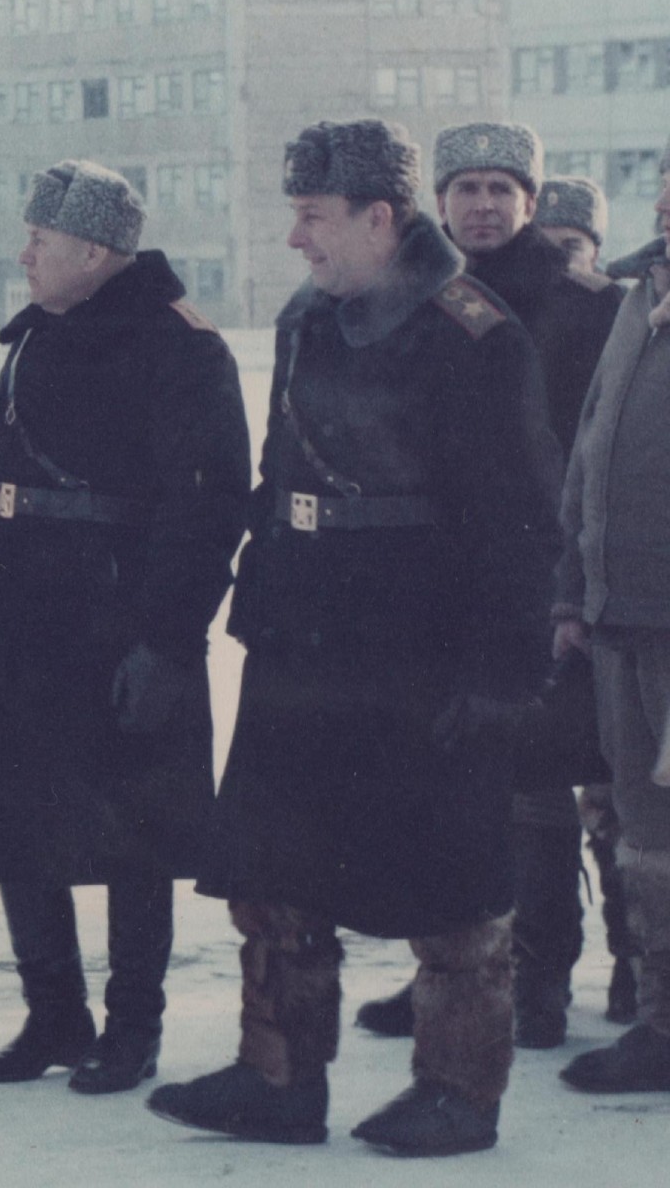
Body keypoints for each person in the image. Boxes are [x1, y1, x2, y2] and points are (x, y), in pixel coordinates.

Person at [145, 119, 562, 1156]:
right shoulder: (308, 318)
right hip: (303, 634)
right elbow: (285, 475)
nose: (296, 238)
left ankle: (459, 1093)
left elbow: (519, 524)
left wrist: (503, 669)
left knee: (453, 885)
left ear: (381, 218)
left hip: (419, 645)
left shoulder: (474, 334)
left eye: (313, 216)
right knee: (272, 869)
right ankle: (279, 1079)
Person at [0, 160, 250, 1095]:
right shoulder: (39, 336)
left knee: (135, 832)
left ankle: (133, 1029)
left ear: (93, 251)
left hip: (117, 617)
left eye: (39, 240)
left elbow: (206, 510)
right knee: (12, 813)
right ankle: (54, 1016)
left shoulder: (183, 348)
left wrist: (167, 642)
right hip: (10, 613)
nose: (24, 254)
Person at [357, 125, 624, 1049]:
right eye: (463, 188)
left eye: (499, 190)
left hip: (542, 584)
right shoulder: (409, 298)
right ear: (438, 203)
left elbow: (597, 460)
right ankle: (449, 968)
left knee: (534, 787)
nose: (480, 205)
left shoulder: (587, 304)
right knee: (442, 786)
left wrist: (571, 591)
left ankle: (537, 979)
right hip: (432, 583)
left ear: (529, 200)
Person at [554, 138, 670, 1093]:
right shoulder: (640, 299)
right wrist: (571, 592)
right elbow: (590, 451)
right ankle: (665, 1027)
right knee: (646, 831)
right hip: (619, 620)